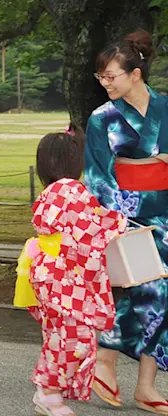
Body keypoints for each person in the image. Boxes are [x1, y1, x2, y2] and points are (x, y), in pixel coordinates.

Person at [84, 30, 168, 411]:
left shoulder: (165, 107)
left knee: (163, 301)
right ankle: (107, 362)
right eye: (100, 77)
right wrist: (116, 219)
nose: (105, 83)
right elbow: (98, 174)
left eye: (111, 76)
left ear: (136, 74)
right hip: (128, 216)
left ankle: (139, 379)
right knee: (150, 292)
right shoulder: (102, 118)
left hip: (166, 210)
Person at [22, 131, 126, 416]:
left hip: (48, 271)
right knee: (74, 337)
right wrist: (119, 224)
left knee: (57, 335)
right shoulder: (72, 189)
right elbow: (89, 233)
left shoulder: (52, 191)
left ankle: (47, 392)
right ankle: (49, 393)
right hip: (66, 277)